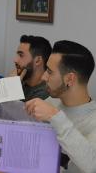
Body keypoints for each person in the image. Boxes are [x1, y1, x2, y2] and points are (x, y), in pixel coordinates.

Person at [25, 40, 96, 173]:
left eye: (50, 72)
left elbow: (92, 165)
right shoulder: (52, 101)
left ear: (70, 79)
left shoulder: (92, 120)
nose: (44, 76)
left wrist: (55, 116)